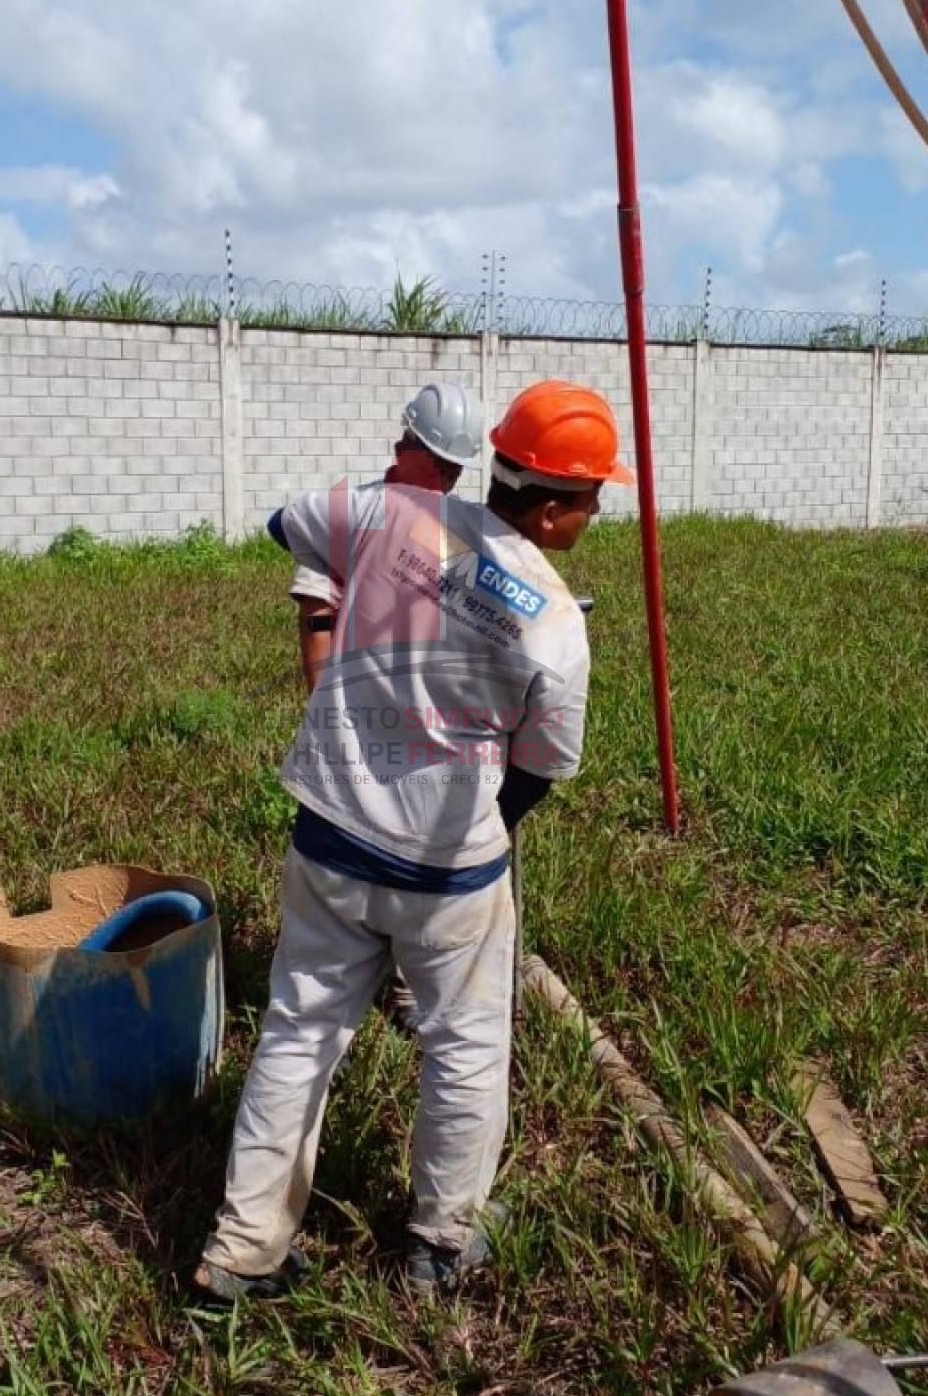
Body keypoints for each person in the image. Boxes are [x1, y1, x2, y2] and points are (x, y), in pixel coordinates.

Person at [195, 380, 631, 1303]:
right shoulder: (554, 620)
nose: (595, 515)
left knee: (298, 1034)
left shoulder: (394, 516)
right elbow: (542, 767)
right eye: (594, 499)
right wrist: (479, 837)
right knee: (465, 1045)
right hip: (449, 870)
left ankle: (241, 1254)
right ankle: (440, 1244)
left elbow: (287, 523)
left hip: (330, 837)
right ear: (553, 510)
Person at [282, 381, 485, 692]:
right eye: (443, 468)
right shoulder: (354, 515)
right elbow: (315, 615)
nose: (447, 478)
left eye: (453, 471)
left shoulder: (456, 524)